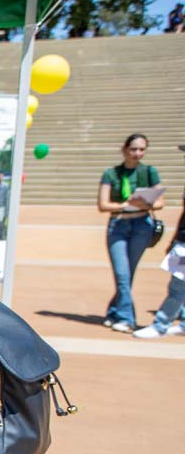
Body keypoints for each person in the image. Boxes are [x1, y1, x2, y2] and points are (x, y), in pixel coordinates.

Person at [97, 133, 165, 333]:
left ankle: (113, 312)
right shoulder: (111, 174)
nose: (137, 153)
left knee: (128, 274)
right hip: (118, 225)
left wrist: (146, 202)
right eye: (134, 149)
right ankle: (127, 318)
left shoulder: (149, 172)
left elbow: (161, 201)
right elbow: (103, 204)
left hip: (141, 225)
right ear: (124, 149)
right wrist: (126, 204)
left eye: (142, 149)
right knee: (122, 273)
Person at [133, 190, 185, 339]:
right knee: (179, 285)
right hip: (182, 243)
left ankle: (160, 326)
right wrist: (175, 240)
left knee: (178, 286)